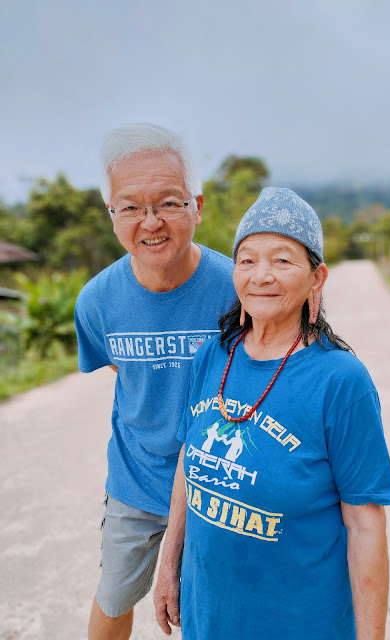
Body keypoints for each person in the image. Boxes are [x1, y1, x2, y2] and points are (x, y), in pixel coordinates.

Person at [155, 187, 390, 639]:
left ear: (317, 278)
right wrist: (170, 564)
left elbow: (365, 525)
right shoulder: (213, 355)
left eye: (282, 260)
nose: (260, 275)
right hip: (208, 614)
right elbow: (188, 461)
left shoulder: (340, 381)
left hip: (299, 622)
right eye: (247, 260)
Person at [74, 123, 236, 640]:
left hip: (220, 482)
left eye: (169, 202)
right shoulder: (96, 302)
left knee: (214, 610)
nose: (152, 222)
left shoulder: (237, 290)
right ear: (111, 214)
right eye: (131, 207)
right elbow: (127, 372)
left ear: (197, 206)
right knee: (114, 597)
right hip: (136, 482)